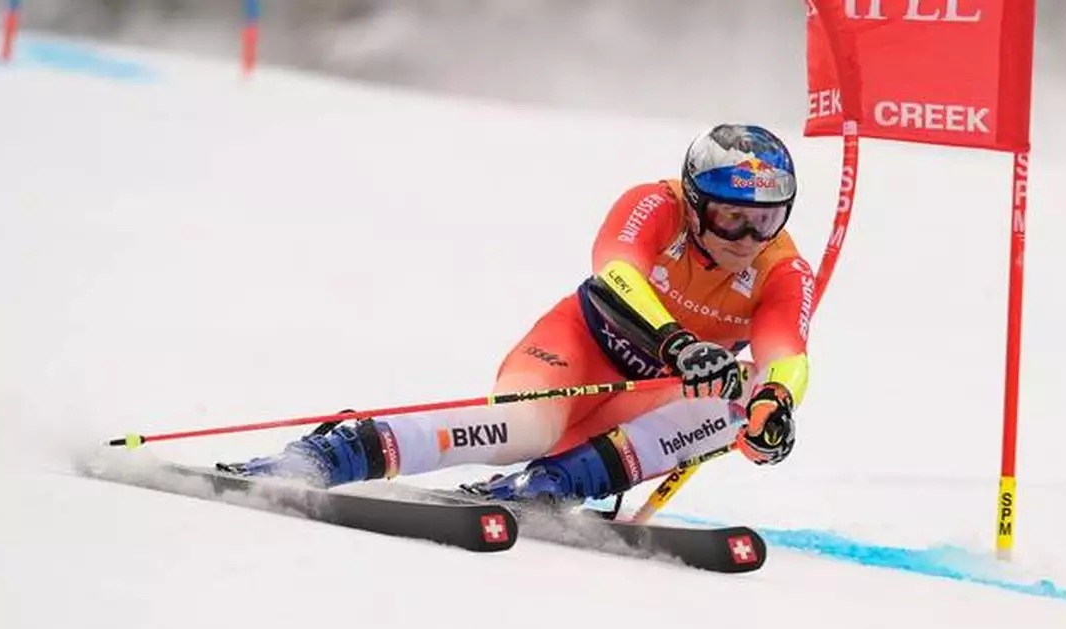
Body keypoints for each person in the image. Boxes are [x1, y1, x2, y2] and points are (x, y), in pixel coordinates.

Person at [220, 123, 816, 506]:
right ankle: (339, 450)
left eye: (767, 218)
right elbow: (616, 274)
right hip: (580, 348)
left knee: (734, 403)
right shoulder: (654, 204)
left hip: (645, 399)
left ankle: (553, 486)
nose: (747, 236)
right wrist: (680, 343)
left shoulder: (782, 269)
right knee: (523, 429)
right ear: (692, 202)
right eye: (729, 216)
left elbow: (785, 356)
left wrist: (773, 410)